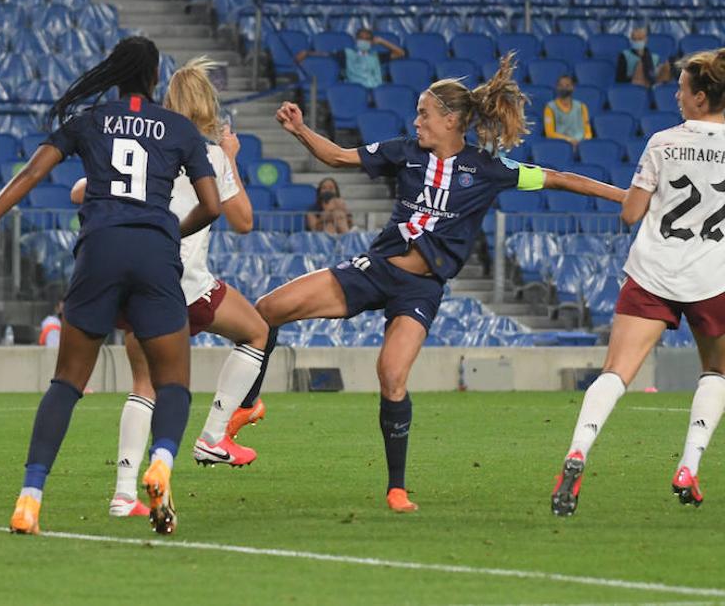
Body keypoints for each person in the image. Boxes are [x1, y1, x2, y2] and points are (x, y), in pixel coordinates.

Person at [250, 54, 625, 513]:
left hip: (420, 290)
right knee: (267, 310)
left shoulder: (489, 169)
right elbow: (338, 157)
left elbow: (559, 179)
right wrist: (300, 130)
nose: (416, 121)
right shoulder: (405, 151)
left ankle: (396, 488)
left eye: (424, 113)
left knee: (391, 377)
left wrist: (625, 196)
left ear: (450, 120)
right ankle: (249, 403)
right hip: (375, 269)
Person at [0, 37, 222, 536]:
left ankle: (29, 500)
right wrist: (166, 231)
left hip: (99, 250)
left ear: (115, 74)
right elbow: (213, 204)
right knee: (174, 383)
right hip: (155, 256)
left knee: (67, 383)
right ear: (156, 78)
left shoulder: (91, 121)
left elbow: (32, 173)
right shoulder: (179, 129)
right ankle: (159, 462)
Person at [65, 57, 272, 520]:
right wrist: (231, 158)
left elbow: (80, 191)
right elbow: (242, 221)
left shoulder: (151, 145)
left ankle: (122, 492)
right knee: (256, 331)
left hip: (134, 279)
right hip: (186, 284)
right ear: (208, 106)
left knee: (143, 387)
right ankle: (214, 435)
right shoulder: (209, 154)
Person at [551, 49, 725, 516]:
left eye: (683, 87)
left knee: (616, 372)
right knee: (716, 372)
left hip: (653, 271)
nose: (676, 93)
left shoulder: (663, 143)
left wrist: (637, 197)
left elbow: (631, 213)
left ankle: (577, 452)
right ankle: (688, 466)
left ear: (701, 96)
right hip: (713, 277)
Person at [294, 27, 406, 90]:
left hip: (377, 90)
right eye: (361, 38)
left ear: (372, 42)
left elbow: (400, 53)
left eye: (367, 39)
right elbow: (326, 55)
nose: (364, 41)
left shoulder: (377, 56)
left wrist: (381, 41)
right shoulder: (347, 54)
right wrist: (308, 53)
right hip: (355, 89)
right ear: (356, 40)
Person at [543, 75, 594, 147]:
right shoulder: (550, 107)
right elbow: (549, 133)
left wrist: (582, 143)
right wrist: (569, 140)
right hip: (560, 145)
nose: (564, 88)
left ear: (573, 87)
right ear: (557, 87)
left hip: (581, 144)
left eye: (567, 85)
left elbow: (588, 132)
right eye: (561, 85)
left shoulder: (582, 106)